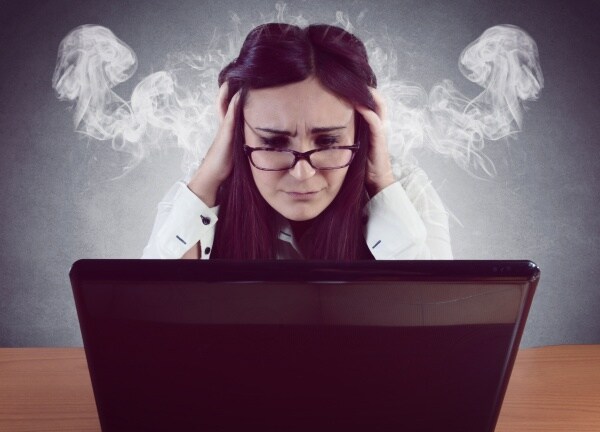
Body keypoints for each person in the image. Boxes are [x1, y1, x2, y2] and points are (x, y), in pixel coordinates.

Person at [142, 23, 452, 260]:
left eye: (329, 141)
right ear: (237, 129)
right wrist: (207, 180)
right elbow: (145, 323)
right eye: (274, 144)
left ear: (362, 130)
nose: (302, 173)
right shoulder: (199, 196)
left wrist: (381, 183)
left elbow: (440, 324)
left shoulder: (408, 193)